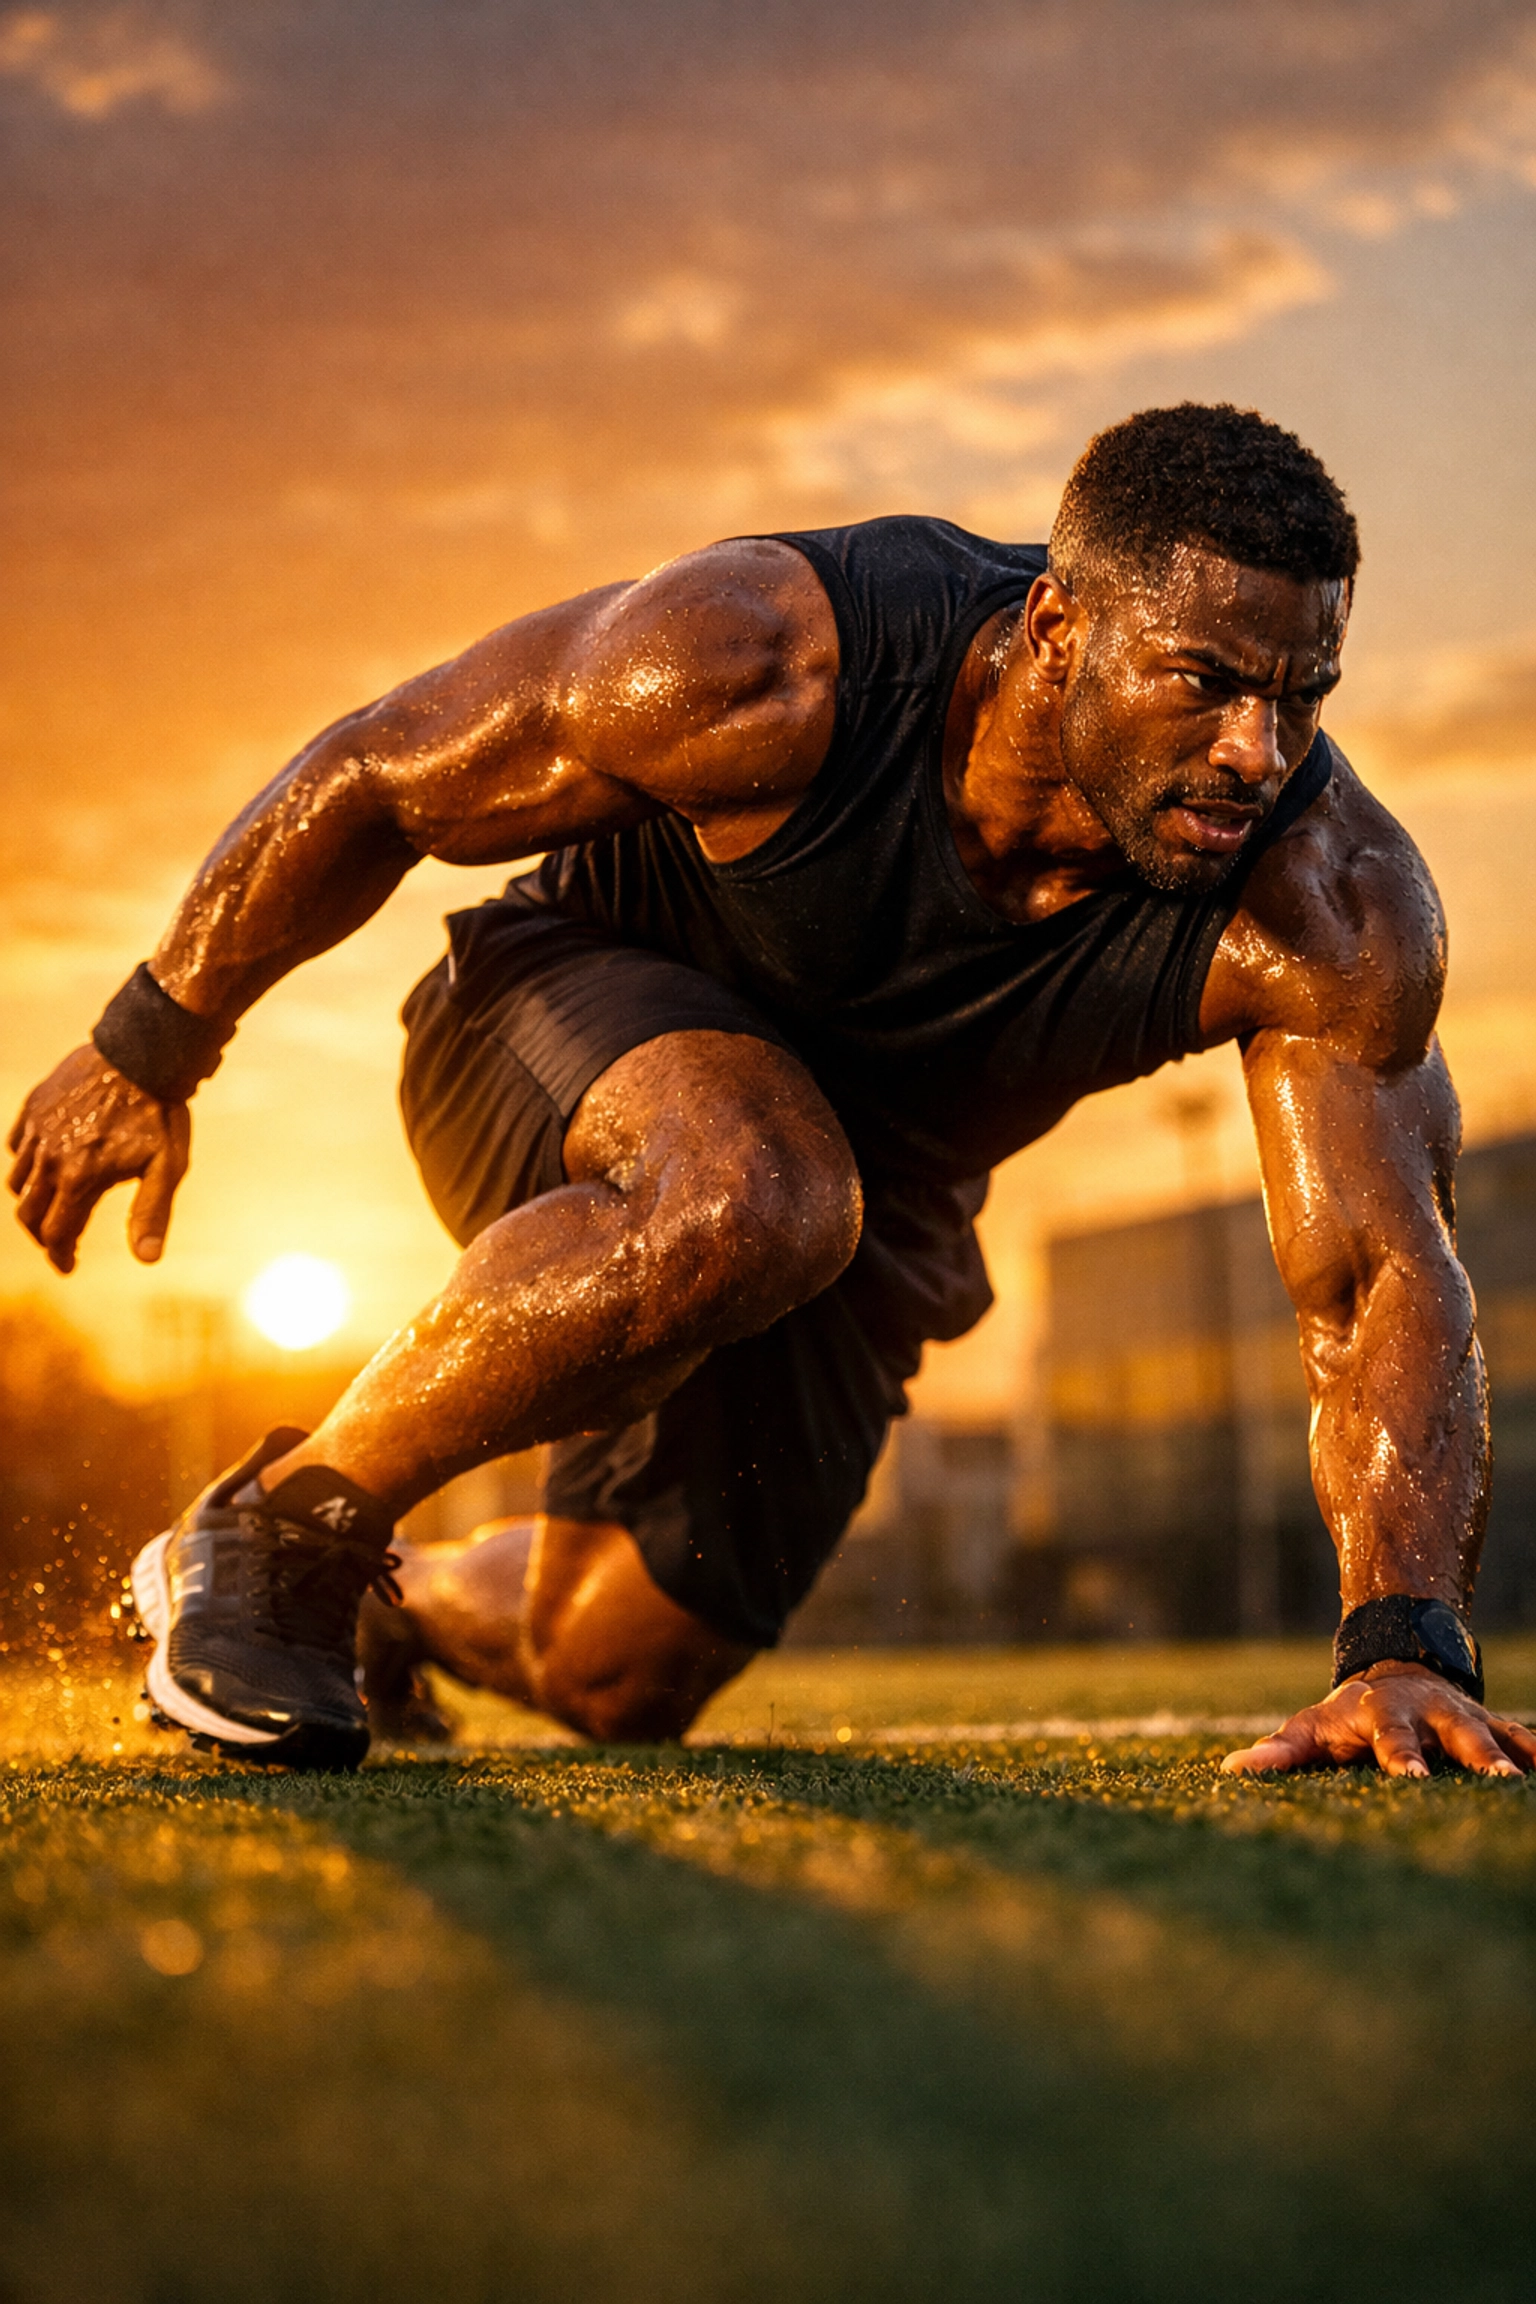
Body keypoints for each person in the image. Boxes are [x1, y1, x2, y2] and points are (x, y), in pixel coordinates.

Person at [10, 403, 1534, 1781]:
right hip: (560, 1016)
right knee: (761, 1189)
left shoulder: (1329, 908)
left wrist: (1401, 1643)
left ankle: (406, 1617)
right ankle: (287, 1528)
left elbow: (1383, 1278)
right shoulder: (763, 660)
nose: (1255, 752)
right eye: (1204, 684)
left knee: (612, 1669)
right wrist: (153, 1040)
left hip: (886, 1200)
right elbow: (383, 774)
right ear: (1060, 627)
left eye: (1301, 696)